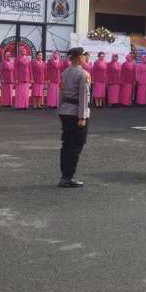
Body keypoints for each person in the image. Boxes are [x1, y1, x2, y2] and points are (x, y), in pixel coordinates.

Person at [57, 47, 91, 188]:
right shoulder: (83, 74)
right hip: (77, 113)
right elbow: (84, 96)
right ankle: (68, 177)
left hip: (65, 111)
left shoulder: (64, 73)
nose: (85, 58)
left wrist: (60, 110)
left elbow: (61, 93)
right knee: (76, 146)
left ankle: (65, 175)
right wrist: (82, 117)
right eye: (84, 56)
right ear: (78, 58)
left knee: (66, 145)